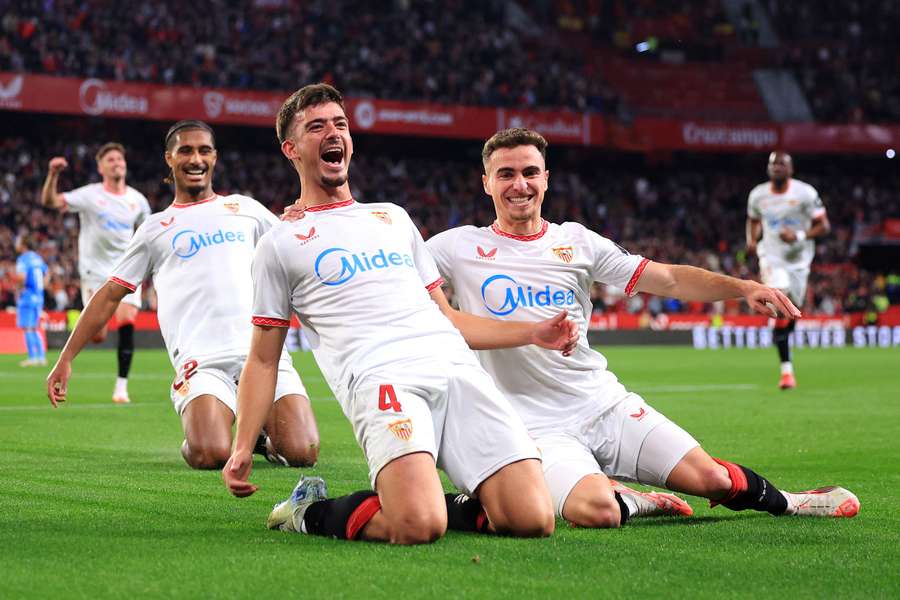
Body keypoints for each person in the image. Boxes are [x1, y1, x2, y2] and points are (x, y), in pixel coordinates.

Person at [425, 128, 859, 529]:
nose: (519, 184)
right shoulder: (455, 248)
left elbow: (667, 278)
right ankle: (636, 500)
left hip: (602, 403)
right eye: (506, 174)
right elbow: (407, 289)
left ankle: (793, 500)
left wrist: (742, 287)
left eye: (529, 172)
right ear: (486, 183)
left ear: (546, 178)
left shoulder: (577, 241)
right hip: (532, 426)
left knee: (710, 478)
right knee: (596, 511)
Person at [223, 84, 582, 545]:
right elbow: (263, 358)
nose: (334, 133)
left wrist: (533, 332)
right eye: (317, 127)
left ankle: (434, 495)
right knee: (417, 526)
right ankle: (308, 510)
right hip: (384, 379)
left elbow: (448, 317)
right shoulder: (280, 243)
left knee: (533, 520)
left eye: (340, 124)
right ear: (291, 149)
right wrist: (242, 446)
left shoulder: (392, 218)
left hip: (455, 370)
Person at [46, 120, 319, 471]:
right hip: (204, 363)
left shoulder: (246, 209)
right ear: (169, 159)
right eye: (186, 150)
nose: (196, 158)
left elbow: (295, 248)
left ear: (215, 157)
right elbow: (110, 294)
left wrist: (301, 221)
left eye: (204, 150)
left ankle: (260, 436)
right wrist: (66, 358)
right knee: (209, 453)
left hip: (264, 356)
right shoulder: (155, 228)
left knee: (303, 451)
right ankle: (208, 424)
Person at [41, 143, 152, 403]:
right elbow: (50, 201)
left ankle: (121, 387)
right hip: (94, 273)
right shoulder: (89, 195)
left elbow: (148, 230)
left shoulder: (137, 200)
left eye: (120, 158)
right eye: (110, 159)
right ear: (101, 167)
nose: (117, 162)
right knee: (99, 334)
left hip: (125, 271)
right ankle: (90, 325)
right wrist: (53, 175)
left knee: (126, 320)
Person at [746, 151, 830, 389]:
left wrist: (799, 236)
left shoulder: (805, 193)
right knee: (779, 293)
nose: (777, 167)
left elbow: (824, 225)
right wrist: (752, 240)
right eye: (773, 164)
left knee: (793, 309)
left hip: (800, 261)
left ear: (791, 170)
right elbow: (752, 220)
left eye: (782, 164)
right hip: (771, 255)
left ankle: (781, 337)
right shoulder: (758, 195)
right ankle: (786, 372)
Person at [15, 234, 48, 367]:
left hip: (28, 296)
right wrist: (40, 290)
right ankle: (41, 357)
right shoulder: (38, 258)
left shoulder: (23, 259)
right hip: (39, 296)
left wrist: (19, 290)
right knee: (34, 327)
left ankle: (32, 357)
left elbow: (21, 277)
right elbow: (47, 274)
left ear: (23, 244)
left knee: (28, 328)